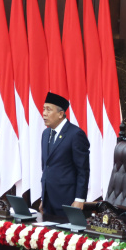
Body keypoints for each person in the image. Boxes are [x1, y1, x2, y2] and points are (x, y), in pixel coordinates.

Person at [39, 92, 90, 223]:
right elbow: (46, 167)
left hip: (67, 201)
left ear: (61, 114)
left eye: (48, 110)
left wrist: (80, 199)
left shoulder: (75, 134)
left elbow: (83, 170)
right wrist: (43, 198)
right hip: (48, 201)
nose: (44, 113)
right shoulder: (45, 134)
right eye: (44, 109)